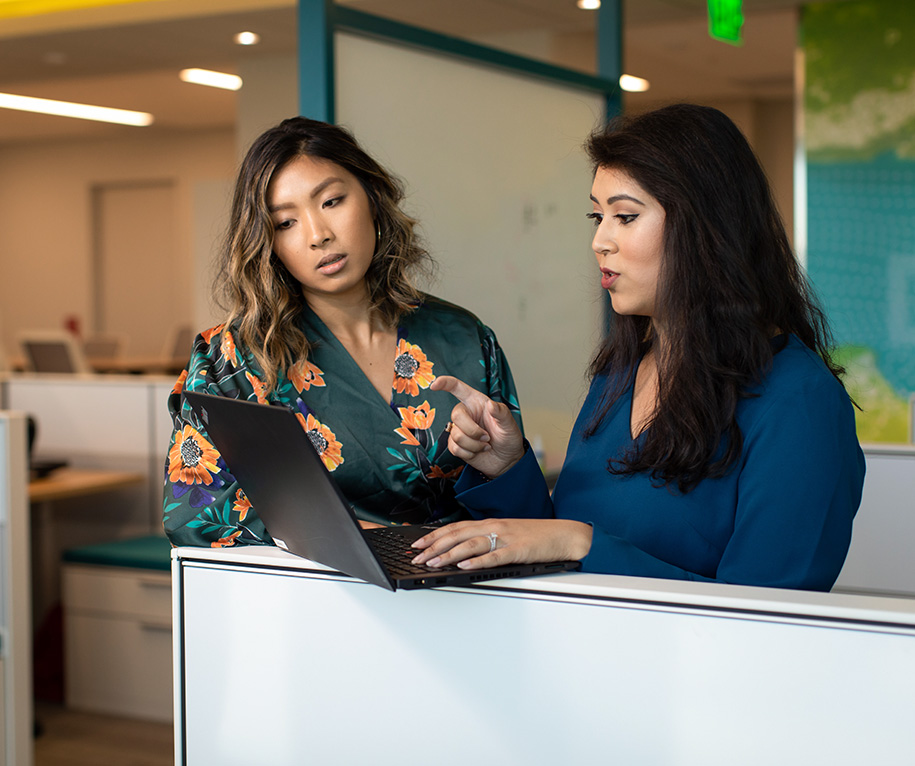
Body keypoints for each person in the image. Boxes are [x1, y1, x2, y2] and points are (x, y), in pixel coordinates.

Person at [411, 104, 865, 592]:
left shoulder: (800, 402)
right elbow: (552, 546)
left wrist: (583, 546)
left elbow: (768, 619)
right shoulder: (621, 374)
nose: (600, 241)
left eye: (625, 216)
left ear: (707, 227)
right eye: (596, 215)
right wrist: (506, 468)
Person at [163, 117, 521, 547]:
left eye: (332, 201)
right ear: (267, 242)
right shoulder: (233, 359)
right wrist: (355, 541)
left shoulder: (465, 338)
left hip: (467, 596)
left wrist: (506, 465)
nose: (319, 235)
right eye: (285, 223)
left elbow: (520, 519)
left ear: (372, 196)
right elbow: (193, 514)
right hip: (316, 601)